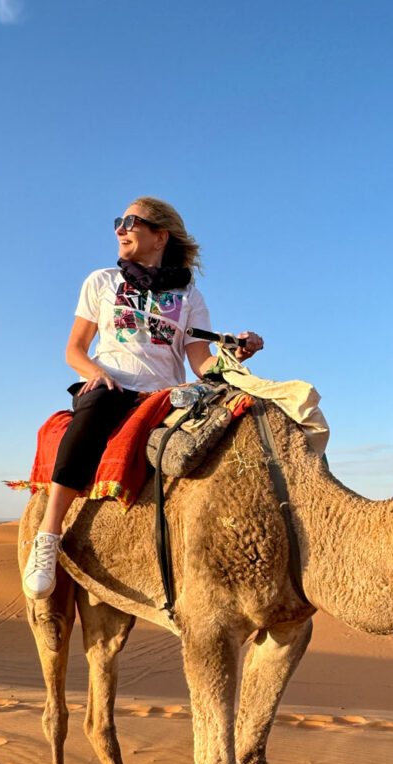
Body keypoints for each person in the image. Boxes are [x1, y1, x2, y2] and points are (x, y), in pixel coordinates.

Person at [22, 196, 263, 601]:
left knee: (236, 419)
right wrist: (95, 373)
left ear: (159, 236)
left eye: (131, 222)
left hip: (169, 394)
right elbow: (74, 351)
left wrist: (234, 354)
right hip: (111, 386)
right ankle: (49, 534)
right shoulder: (101, 282)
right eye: (120, 221)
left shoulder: (189, 297)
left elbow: (201, 363)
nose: (120, 229)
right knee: (95, 408)